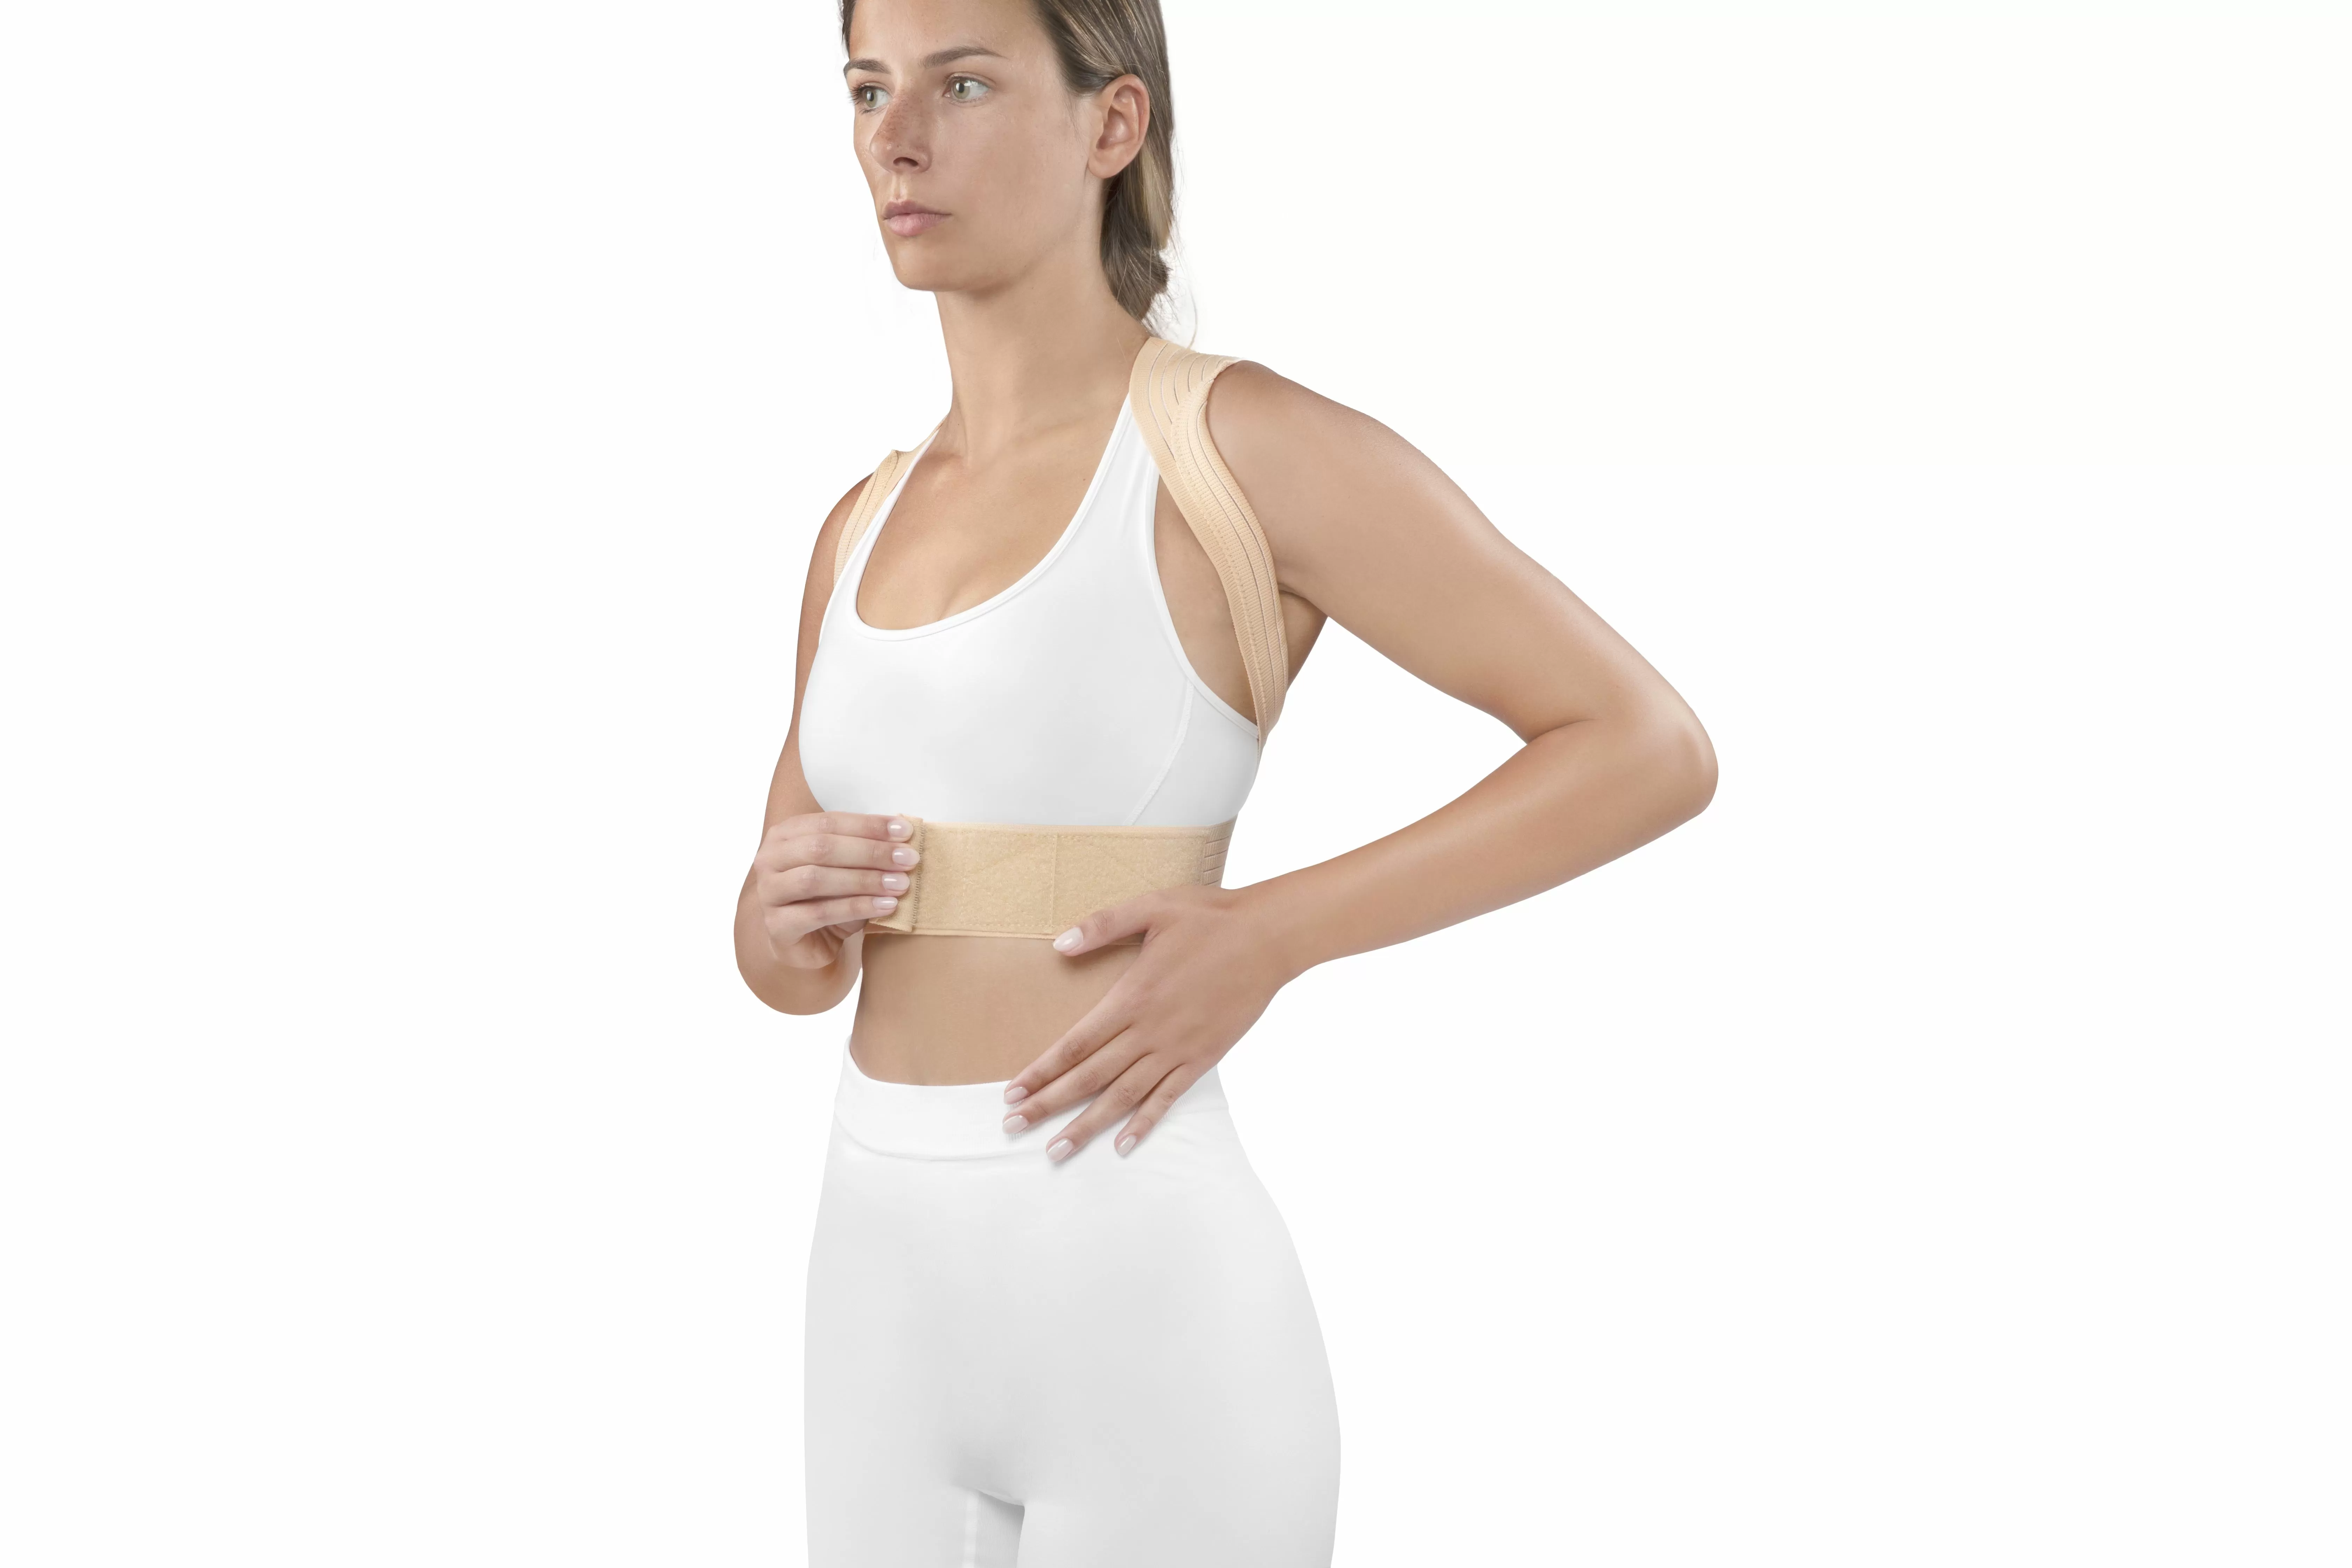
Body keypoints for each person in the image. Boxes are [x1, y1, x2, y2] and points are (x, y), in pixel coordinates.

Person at [733, 0, 1718, 1561]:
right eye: (868, 90)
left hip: (1145, 1304)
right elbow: (792, 967)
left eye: (963, 84)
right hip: (874, 1296)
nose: (895, 140)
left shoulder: (1237, 448)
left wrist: (1275, 932)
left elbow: (1644, 744)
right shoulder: (858, 524)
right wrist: (770, 921)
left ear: (1112, 125)